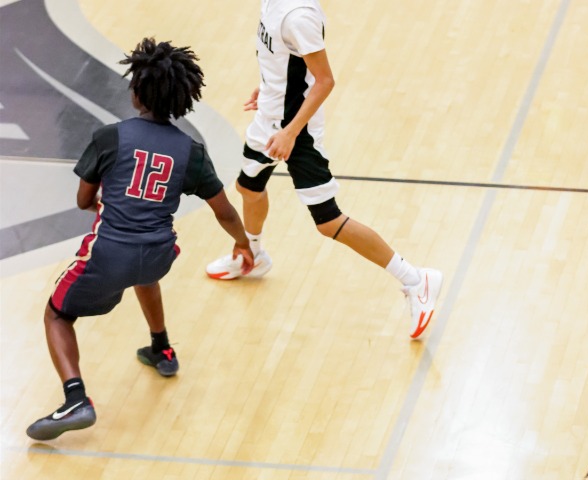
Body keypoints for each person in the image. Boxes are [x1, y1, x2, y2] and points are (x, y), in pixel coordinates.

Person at [26, 38, 254, 441]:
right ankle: (161, 347)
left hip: (109, 253)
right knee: (144, 271)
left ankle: (76, 399)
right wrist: (243, 243)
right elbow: (225, 212)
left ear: (137, 93)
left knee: (57, 315)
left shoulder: (109, 138)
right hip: (159, 253)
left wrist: (106, 200)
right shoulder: (191, 152)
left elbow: (83, 200)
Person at [206, 0, 443, 338]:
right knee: (248, 188)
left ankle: (417, 280)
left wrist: (290, 132)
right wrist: (272, 86)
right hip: (270, 118)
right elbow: (284, 58)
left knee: (328, 221)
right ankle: (254, 254)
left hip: (296, 132)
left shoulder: (299, 16)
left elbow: (324, 80)